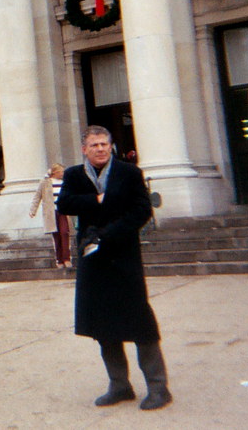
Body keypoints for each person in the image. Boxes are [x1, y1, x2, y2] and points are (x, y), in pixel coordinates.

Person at [55, 126, 173, 411]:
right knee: (103, 325)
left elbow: (142, 210)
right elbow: (65, 203)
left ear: (111, 146)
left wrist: (109, 234)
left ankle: (158, 387)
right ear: (85, 149)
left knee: (140, 322)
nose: (100, 149)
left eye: (104, 144)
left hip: (123, 254)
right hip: (92, 259)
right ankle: (119, 385)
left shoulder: (129, 173)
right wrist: (95, 200)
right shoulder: (73, 175)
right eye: (94, 145)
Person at [29, 163, 73, 268]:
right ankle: (59, 260)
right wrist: (33, 210)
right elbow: (37, 197)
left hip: (63, 211)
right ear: (55, 172)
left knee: (65, 233)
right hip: (52, 212)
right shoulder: (45, 183)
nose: (63, 174)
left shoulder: (65, 182)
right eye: (61, 171)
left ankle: (67, 258)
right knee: (56, 236)